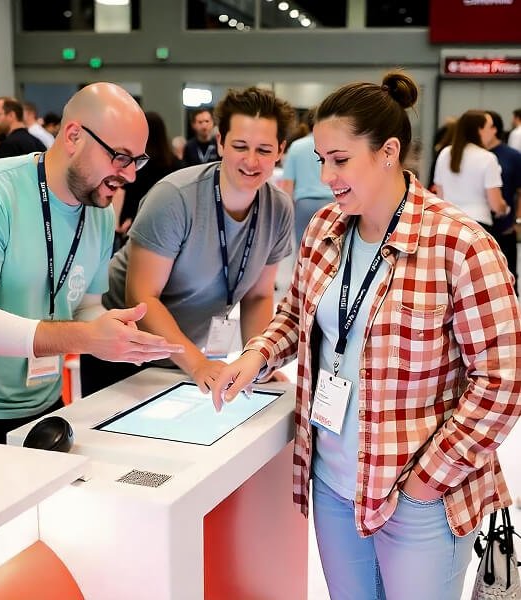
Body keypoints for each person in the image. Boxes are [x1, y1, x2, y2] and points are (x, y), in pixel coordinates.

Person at [212, 71, 521, 600]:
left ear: (388, 152)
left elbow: (503, 380)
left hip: (420, 495)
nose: (326, 176)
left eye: (340, 160)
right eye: (321, 160)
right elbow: (295, 315)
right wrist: (255, 356)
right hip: (333, 482)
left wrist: (425, 481)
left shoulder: (460, 245)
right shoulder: (324, 228)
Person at [0, 82, 183, 444]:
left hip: (46, 405)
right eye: (120, 156)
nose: (130, 175)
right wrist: (88, 337)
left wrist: (116, 333)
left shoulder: (99, 212)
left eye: (137, 161)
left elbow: (86, 306)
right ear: (73, 136)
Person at [80, 86, 295, 396]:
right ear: (220, 143)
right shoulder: (175, 198)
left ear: (280, 150)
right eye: (240, 146)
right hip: (124, 352)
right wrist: (198, 365)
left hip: (185, 354)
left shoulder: (278, 208)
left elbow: (258, 296)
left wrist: (257, 363)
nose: (251, 161)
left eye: (263, 150)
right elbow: (141, 297)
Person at [113, 111, 182, 248]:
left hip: (134, 222)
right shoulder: (175, 164)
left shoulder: (136, 163)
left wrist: (120, 221)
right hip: (166, 224)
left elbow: (125, 191)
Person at [434, 109, 509, 230]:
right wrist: (504, 208)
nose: (494, 131)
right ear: (479, 130)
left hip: (448, 223)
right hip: (477, 223)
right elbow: (495, 204)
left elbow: (440, 195)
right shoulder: (488, 158)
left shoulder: (445, 153)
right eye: (490, 127)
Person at [280, 108, 334, 248]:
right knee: (331, 250)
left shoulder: (296, 147)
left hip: (304, 205)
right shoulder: (334, 145)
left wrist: (287, 212)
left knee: (303, 250)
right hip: (332, 202)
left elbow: (288, 184)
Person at [484, 110, 521, 294]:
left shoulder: (512, 156)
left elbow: (520, 191)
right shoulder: (472, 154)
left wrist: (517, 220)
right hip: (480, 225)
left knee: (508, 278)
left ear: (494, 129)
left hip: (504, 226)